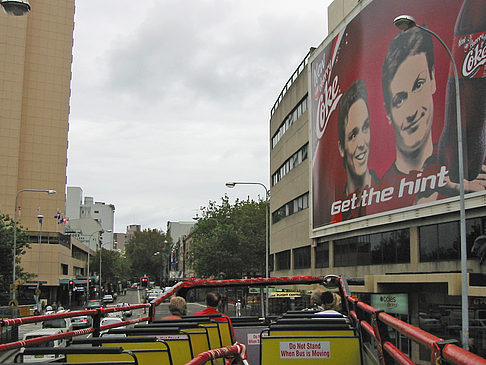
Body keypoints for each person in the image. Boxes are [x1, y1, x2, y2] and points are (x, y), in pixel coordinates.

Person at [333, 79, 379, 222]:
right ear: (341, 148)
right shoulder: (335, 214)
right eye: (353, 135)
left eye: (365, 128)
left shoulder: (387, 191)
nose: (361, 143)